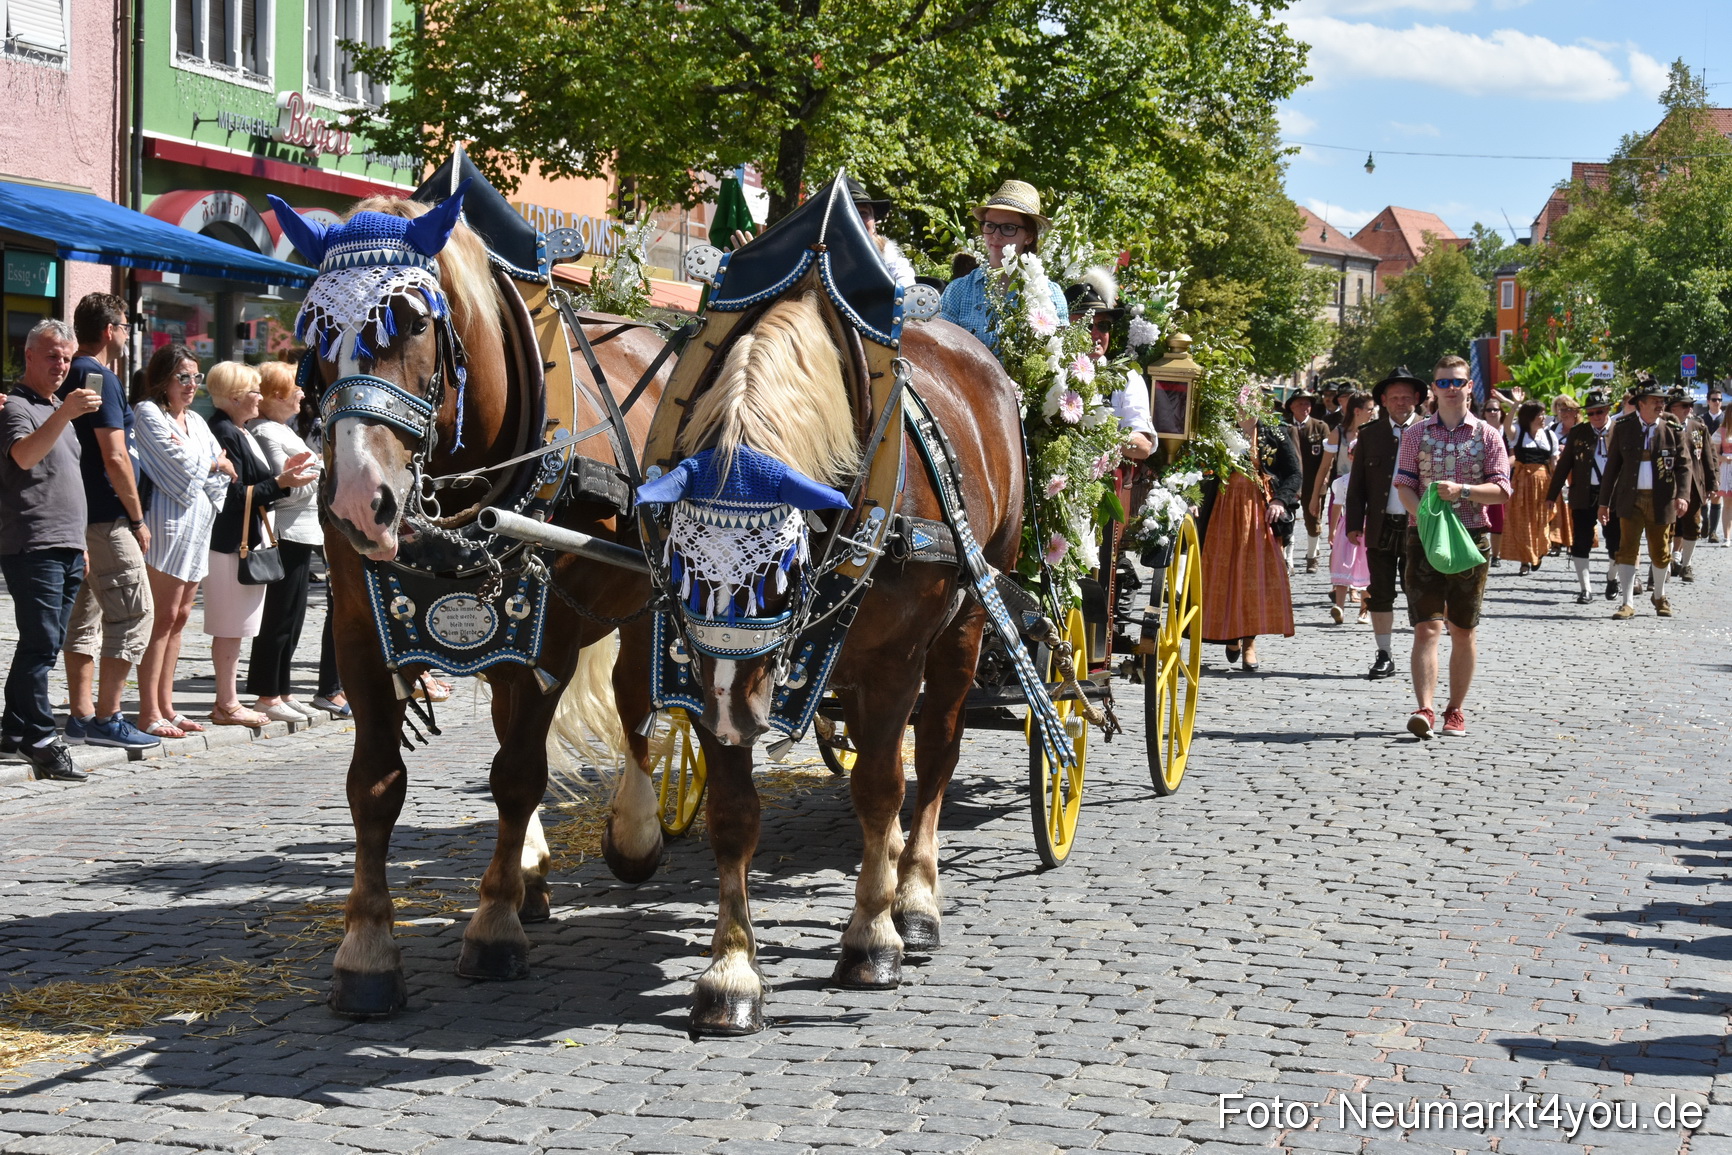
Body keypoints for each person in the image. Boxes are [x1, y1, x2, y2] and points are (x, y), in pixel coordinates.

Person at [55, 294, 159, 751]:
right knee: (135, 613)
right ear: (110, 330)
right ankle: (108, 717)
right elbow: (114, 455)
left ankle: (81, 716)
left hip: (78, 515)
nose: (126, 332)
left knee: (85, 616)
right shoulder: (99, 375)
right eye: (124, 325)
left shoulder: (75, 372)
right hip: (106, 517)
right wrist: (136, 517)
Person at [0, 320, 103, 780]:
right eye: (51, 356)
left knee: (41, 642)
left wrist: (80, 542)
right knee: (41, 643)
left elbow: (66, 480)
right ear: (29, 356)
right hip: (31, 541)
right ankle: (42, 739)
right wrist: (63, 416)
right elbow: (22, 457)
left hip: (65, 543)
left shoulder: (57, 406)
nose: (61, 365)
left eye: (66, 357)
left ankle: (13, 729)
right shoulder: (16, 406)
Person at [1393, 355, 1511, 739]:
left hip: (1471, 536)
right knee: (1426, 628)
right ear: (1433, 387)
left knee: (1463, 629)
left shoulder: (1488, 435)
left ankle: (1455, 711)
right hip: (1424, 537)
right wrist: (1424, 518)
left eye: (1456, 382)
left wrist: (1464, 491)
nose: (1450, 389)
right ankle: (1424, 708)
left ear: (1469, 386)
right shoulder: (1416, 434)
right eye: (1443, 382)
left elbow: (1502, 491)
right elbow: (1404, 484)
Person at [204, 362, 317, 726]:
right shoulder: (226, 431)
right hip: (233, 540)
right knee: (241, 625)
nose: (259, 398)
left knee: (250, 624)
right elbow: (236, 495)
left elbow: (258, 482)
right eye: (255, 391)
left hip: (253, 535)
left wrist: (286, 475)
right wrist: (284, 481)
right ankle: (238, 699)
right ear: (236, 397)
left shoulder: (240, 430)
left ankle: (246, 697)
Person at [133, 346, 232, 738]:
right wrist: (210, 464)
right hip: (166, 522)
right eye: (183, 378)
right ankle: (148, 710)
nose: (192, 385)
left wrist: (208, 465)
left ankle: (167, 705)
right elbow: (180, 468)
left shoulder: (195, 420)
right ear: (163, 380)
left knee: (181, 616)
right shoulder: (148, 413)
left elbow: (222, 471)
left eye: (196, 377)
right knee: (161, 616)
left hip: (198, 521)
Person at [1198, 399, 1301, 672]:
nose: (1245, 407)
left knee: (1253, 576)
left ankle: (1249, 644)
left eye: (1251, 401)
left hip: (1257, 510)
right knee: (1224, 573)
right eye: (1241, 401)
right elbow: (1198, 467)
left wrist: (1280, 501)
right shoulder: (1218, 430)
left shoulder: (1275, 431)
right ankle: (1231, 635)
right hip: (1222, 508)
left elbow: (1293, 473)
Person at [246, 362, 323, 722]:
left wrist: (313, 468)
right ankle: (267, 692)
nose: (302, 394)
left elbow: (300, 475)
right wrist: (318, 470)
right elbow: (286, 486)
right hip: (285, 532)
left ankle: (282, 689)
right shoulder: (265, 432)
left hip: (304, 532)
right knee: (277, 618)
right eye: (295, 388)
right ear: (277, 394)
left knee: (292, 618)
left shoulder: (282, 429)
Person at [1345, 368, 1425, 680]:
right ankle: (1384, 653)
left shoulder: (1429, 431)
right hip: (1380, 526)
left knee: (1418, 591)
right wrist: (1354, 522)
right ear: (1384, 401)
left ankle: (1423, 653)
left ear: (1417, 399)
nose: (1401, 402)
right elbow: (1358, 485)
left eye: (1407, 397)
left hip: (1418, 526)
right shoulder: (1370, 434)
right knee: (1380, 592)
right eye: (1395, 398)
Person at [939, 180, 1069, 352]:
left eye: (1008, 228)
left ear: (1029, 236)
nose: (996, 235)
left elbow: (1058, 358)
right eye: (990, 226)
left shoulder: (1051, 295)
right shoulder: (959, 291)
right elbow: (941, 354)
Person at [1600, 376, 1690, 619]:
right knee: (1627, 549)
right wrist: (1603, 502)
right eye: (1655, 401)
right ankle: (1627, 602)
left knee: (1661, 551)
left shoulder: (1672, 429)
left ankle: (1658, 596)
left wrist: (1682, 495)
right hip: (1630, 499)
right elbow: (1612, 468)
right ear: (1640, 403)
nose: (1660, 405)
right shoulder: (1623, 428)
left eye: (1662, 401)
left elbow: (1684, 465)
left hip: (1662, 501)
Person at [1547, 388, 1621, 604]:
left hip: (1613, 495)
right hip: (1584, 493)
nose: (1595, 417)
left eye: (1599, 412)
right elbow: (1564, 465)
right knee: (1580, 541)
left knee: (1615, 541)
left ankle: (1612, 577)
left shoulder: (1620, 431)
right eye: (1590, 413)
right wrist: (1552, 494)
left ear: (1607, 410)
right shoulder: (1579, 432)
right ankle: (1585, 589)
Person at [1503, 401, 1559, 575]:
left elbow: (1554, 463)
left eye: (1543, 414)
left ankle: (1539, 551)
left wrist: (1558, 487)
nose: (1543, 418)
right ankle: (1525, 560)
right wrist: (1515, 405)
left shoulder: (1549, 436)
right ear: (1530, 417)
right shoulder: (1519, 433)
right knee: (1523, 522)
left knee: (1541, 520)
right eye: (1539, 414)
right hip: (1522, 484)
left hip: (1544, 484)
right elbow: (1506, 426)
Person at [1666, 388, 1713, 583]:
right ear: (1672, 408)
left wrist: (1712, 482)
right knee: (1667, 525)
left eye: (1690, 405)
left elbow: (1709, 457)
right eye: (1684, 405)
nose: (1689, 409)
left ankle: (1686, 564)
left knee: (1693, 525)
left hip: (1693, 484)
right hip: (1668, 483)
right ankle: (1666, 564)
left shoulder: (1698, 427)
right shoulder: (1663, 427)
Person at [1282, 387, 1328, 574]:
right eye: (1300, 403)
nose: (1305, 407)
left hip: (1313, 480)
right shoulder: (1283, 426)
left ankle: (1312, 557)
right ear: (1291, 406)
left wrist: (1325, 478)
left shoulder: (1320, 426)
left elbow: (1327, 456)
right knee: (1286, 519)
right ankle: (1288, 560)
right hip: (1290, 481)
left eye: (1308, 403)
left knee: (1313, 518)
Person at [1326, 437, 1370, 623]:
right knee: (1343, 563)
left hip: (1369, 527)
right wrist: (1332, 530)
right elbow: (1337, 505)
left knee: (1367, 567)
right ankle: (1340, 607)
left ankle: (1364, 610)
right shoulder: (1343, 482)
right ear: (1350, 457)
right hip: (1348, 525)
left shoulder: (1374, 481)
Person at [845, 176, 916, 288]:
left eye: (863, 213)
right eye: (848, 212)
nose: (856, 219)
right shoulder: (821, 263)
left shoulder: (895, 266)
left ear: (874, 223)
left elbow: (907, 298)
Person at [1479, 393, 1512, 566]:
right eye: (1489, 409)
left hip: (1500, 479)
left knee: (1498, 518)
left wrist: (1500, 465)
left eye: (1496, 409)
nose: (1492, 412)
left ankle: (1496, 555)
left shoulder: (1506, 431)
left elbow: (1515, 456)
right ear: (1484, 413)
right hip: (1480, 480)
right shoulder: (1479, 429)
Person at [1703, 387, 1725, 541]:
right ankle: (1704, 524)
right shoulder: (1701, 418)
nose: (1717, 402)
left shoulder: (1725, 419)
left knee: (1717, 495)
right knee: (1702, 495)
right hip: (1703, 461)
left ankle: (1713, 532)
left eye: (1719, 400)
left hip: (1720, 460)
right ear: (1708, 401)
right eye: (1714, 399)